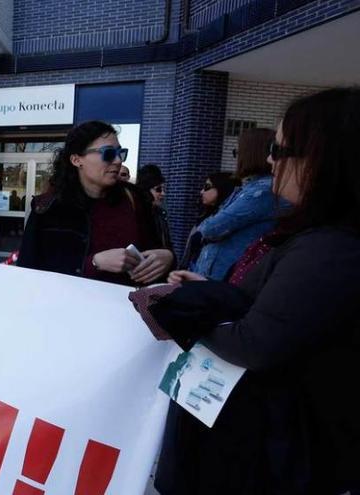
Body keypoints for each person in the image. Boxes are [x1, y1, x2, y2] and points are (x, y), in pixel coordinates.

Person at [137, 87, 360, 495]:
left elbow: (257, 342)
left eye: (281, 148)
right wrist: (211, 292)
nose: (271, 160)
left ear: (325, 159)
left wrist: (182, 311)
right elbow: (276, 307)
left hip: (280, 457)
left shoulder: (332, 248)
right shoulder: (314, 236)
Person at [16, 121, 174, 286]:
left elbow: (159, 254)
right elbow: (29, 272)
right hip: (68, 307)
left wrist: (168, 258)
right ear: (77, 160)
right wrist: (93, 263)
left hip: (128, 307)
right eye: (108, 153)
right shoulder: (47, 207)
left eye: (121, 153)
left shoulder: (135, 199)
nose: (118, 160)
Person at [190, 128, 289, 280]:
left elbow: (212, 228)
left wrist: (205, 229)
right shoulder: (249, 187)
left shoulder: (262, 191)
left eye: (237, 153)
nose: (236, 159)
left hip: (223, 277)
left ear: (250, 154)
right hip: (215, 275)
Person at [177, 172, 239, 270]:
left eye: (207, 187)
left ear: (222, 188)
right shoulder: (206, 217)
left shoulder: (223, 222)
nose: (202, 191)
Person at [137, 163, 172, 250]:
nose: (163, 193)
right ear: (146, 190)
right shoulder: (136, 213)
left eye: (164, 189)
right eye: (158, 189)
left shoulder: (161, 213)